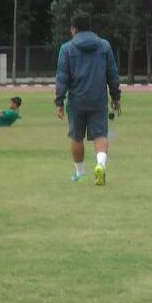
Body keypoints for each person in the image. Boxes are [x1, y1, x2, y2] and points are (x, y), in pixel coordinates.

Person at [55, 13, 121, 185]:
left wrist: (59, 101)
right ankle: (100, 165)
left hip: (76, 100)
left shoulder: (67, 49)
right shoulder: (104, 46)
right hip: (98, 99)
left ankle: (80, 173)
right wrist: (115, 96)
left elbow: (62, 77)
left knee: (76, 137)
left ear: (73, 29)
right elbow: (112, 73)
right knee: (100, 134)